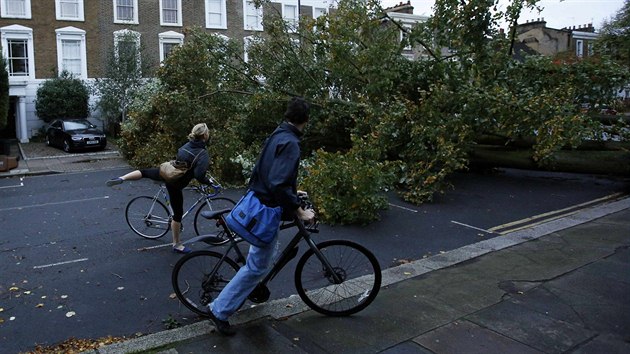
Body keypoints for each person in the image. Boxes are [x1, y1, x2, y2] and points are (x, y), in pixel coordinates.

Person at [208, 97, 315, 336]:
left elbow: (265, 172)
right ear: (306, 121)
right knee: (257, 268)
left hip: (258, 202)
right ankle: (219, 310)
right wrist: (299, 209)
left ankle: (243, 295)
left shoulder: (277, 135)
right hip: (267, 210)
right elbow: (277, 182)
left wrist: (293, 191)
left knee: (260, 260)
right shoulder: (291, 143)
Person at [106, 123, 213, 254]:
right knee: (177, 215)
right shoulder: (202, 153)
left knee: (144, 172)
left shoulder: (186, 146)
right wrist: (209, 182)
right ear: (205, 135)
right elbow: (199, 175)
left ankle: (122, 178)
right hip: (175, 183)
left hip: (167, 172)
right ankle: (177, 244)